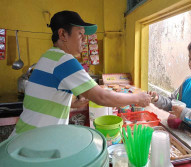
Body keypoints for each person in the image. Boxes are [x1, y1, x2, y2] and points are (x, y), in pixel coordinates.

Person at [10, 10, 151, 136]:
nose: (84, 40)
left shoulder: (47, 57)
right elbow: (102, 97)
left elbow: (49, 98)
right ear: (63, 34)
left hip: (24, 136)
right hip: (35, 143)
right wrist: (137, 98)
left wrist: (74, 104)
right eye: (80, 34)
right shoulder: (64, 60)